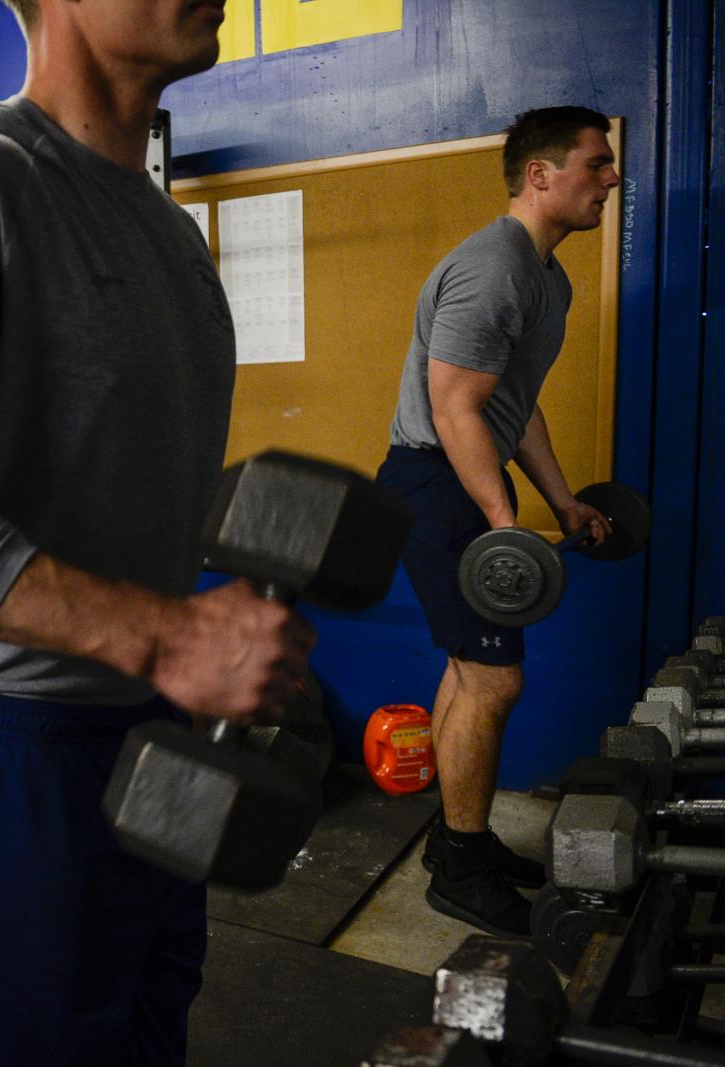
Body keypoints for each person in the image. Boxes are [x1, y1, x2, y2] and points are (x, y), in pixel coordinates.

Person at [0, 1, 313, 1064]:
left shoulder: (167, 234)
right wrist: (167, 632)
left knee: (146, 1021)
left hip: (155, 732)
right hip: (11, 742)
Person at [374, 107, 621, 936]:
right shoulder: (495, 268)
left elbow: (513, 407)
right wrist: (501, 522)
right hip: (435, 480)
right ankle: (463, 867)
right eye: (596, 164)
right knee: (494, 678)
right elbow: (454, 408)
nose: (611, 179)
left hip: (460, 478)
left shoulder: (548, 278)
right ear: (540, 175)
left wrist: (561, 503)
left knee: (466, 670)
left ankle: (457, 846)